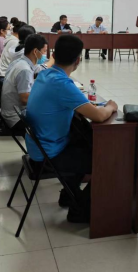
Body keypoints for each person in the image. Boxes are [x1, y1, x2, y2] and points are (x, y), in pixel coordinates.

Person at [25, 35, 118, 222]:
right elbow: (99, 116)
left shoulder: (45, 74)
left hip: (38, 146)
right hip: (50, 153)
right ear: (78, 60)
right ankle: (79, 210)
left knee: (84, 142)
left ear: (53, 55)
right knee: (109, 162)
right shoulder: (62, 84)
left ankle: (69, 195)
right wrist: (110, 106)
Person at [1, 34, 48, 132]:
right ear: (35, 51)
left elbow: (34, 70)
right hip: (16, 118)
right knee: (53, 114)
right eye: (44, 51)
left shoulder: (19, 61)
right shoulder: (24, 70)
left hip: (12, 111)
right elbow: (25, 99)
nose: (45, 55)